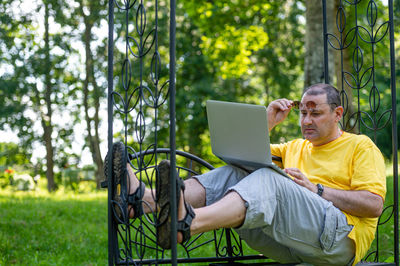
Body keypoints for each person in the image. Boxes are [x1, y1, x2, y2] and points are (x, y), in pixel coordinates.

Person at [105, 83, 386, 265]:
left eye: (316, 113)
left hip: (339, 242)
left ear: (337, 114)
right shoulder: (295, 147)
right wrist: (268, 120)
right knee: (235, 171)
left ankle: (187, 223)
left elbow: (373, 205)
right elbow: (245, 152)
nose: (306, 120)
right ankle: (142, 201)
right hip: (291, 243)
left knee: (269, 180)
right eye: (302, 113)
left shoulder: (360, 145)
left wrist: (317, 190)